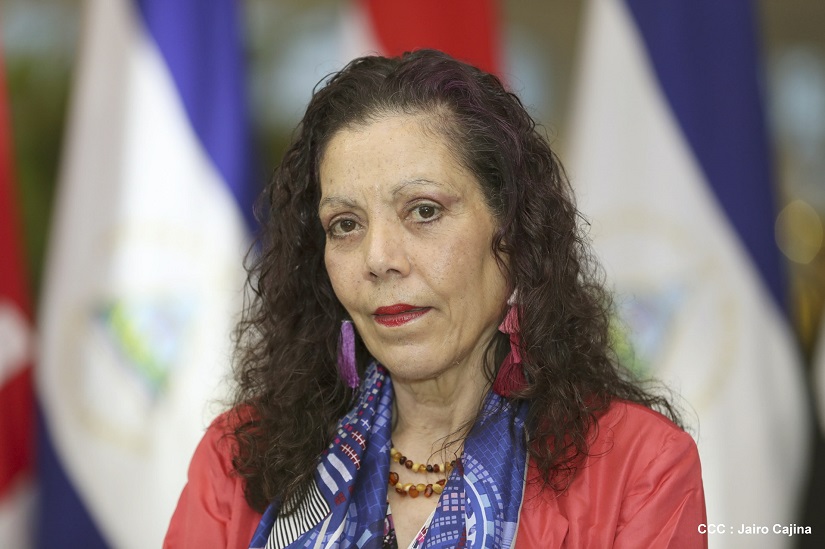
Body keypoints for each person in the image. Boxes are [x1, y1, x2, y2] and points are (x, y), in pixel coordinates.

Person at [164, 49, 706, 549]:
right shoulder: (238, 461)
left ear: (514, 233)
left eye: (424, 211)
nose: (379, 258)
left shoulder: (641, 468)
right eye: (345, 224)